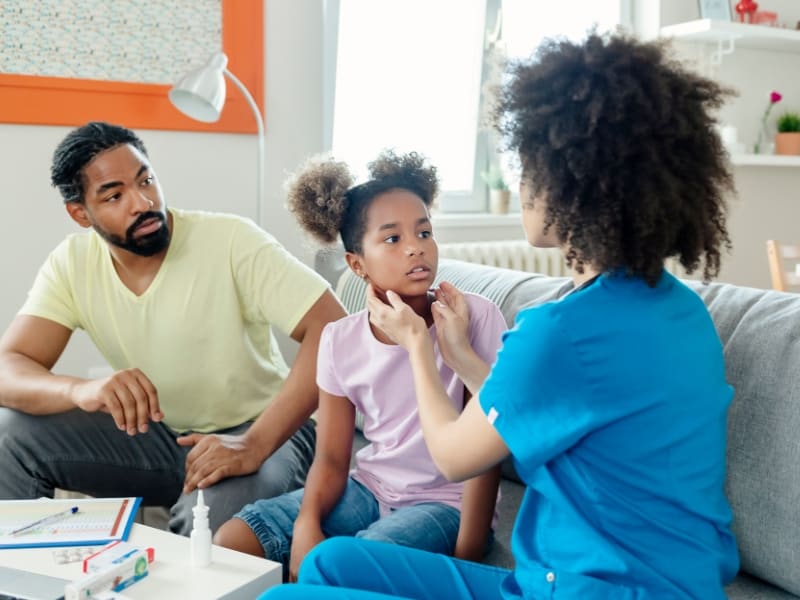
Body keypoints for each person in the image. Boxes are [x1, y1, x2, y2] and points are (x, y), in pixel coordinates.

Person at [260, 31, 740, 599]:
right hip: (644, 583)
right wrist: (460, 355)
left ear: (573, 182)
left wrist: (420, 346)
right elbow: (529, 409)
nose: (520, 185)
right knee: (331, 564)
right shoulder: (681, 309)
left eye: (531, 166)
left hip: (592, 590)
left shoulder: (560, 333)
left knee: (282, 594)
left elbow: (455, 455)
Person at [0, 121, 346, 535]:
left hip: (265, 432)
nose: (142, 202)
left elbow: (332, 327)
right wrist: (79, 390)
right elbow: (9, 367)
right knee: (10, 435)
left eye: (146, 180)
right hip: (164, 437)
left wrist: (254, 444)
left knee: (215, 520)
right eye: (115, 195)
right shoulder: (72, 263)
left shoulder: (230, 239)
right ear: (80, 213)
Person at [213, 150, 507, 581]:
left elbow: (486, 452)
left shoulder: (471, 317)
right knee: (232, 541)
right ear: (356, 264)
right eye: (392, 239)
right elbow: (332, 458)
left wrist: (468, 550)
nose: (415, 247)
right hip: (369, 488)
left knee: (354, 562)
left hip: (445, 503)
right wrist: (306, 524)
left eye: (424, 231)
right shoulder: (338, 339)